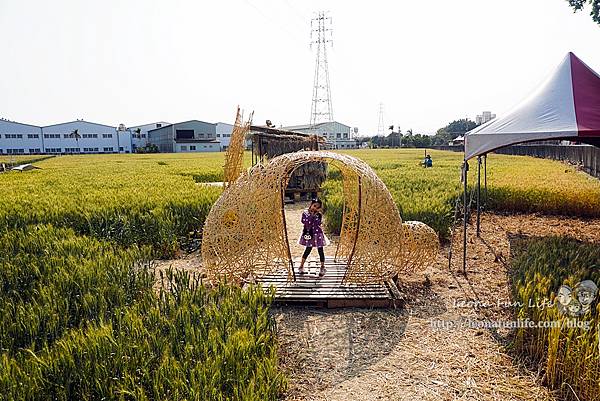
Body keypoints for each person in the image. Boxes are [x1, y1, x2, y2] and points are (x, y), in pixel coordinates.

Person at [298, 198, 330, 277]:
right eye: (314, 206)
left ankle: (322, 267)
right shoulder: (305, 213)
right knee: (308, 249)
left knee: (320, 251)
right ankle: (301, 266)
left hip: (318, 234)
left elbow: (318, 223)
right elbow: (304, 221)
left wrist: (315, 216)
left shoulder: (318, 215)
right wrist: (311, 216)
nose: (315, 208)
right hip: (309, 234)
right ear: (311, 204)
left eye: (317, 207)